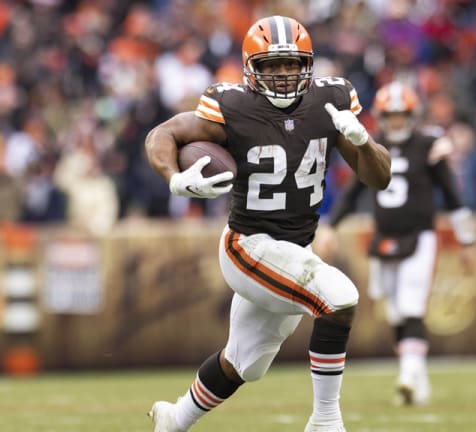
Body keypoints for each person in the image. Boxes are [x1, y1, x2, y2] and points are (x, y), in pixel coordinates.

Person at [144, 15, 391, 432]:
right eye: (271, 65)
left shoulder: (331, 100)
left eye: (291, 64)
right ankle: (325, 421)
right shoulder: (232, 106)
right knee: (338, 297)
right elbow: (162, 134)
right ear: (250, 69)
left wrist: (363, 141)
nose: (282, 74)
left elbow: (379, 178)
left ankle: (174, 419)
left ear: (307, 64)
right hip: (247, 245)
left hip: (294, 249)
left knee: (244, 363)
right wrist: (174, 178)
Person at [318, 81, 476, 406]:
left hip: (421, 235)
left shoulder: (429, 144)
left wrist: (467, 239)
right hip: (384, 237)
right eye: (390, 115)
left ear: (412, 115)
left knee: (411, 305)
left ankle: (407, 374)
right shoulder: (372, 146)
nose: (396, 121)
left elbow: (451, 194)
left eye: (401, 114)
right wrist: (331, 227)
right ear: (381, 116)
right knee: (394, 312)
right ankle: (418, 378)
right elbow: (353, 192)